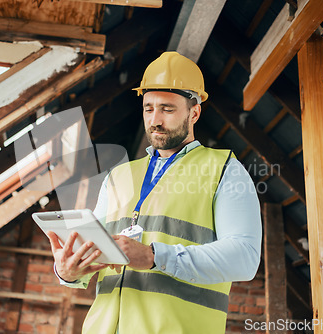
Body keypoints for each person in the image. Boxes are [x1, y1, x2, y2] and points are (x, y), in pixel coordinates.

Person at [47, 51, 262, 333]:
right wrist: (68, 272)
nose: (155, 120)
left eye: (167, 109)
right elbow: (94, 255)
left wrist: (153, 256)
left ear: (194, 112)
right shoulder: (118, 175)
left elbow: (245, 258)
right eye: (148, 108)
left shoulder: (224, 169)